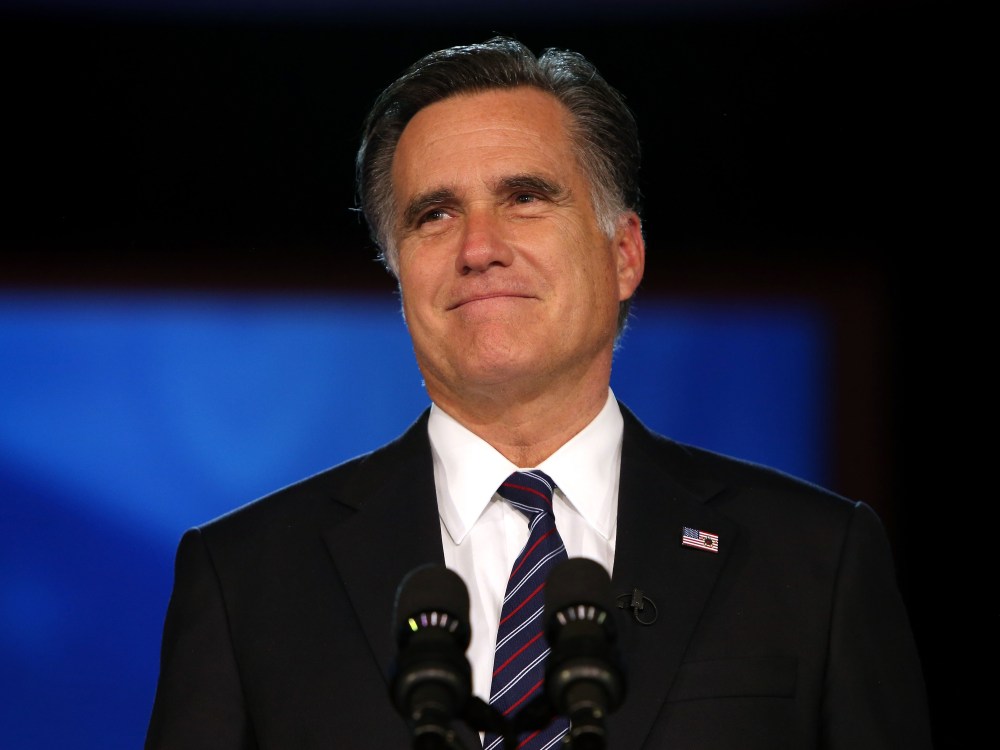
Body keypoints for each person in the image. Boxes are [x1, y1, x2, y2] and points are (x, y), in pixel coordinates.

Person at [145, 37, 932, 749]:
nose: (479, 248)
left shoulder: (815, 562)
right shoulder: (244, 579)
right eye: (434, 214)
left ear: (623, 254)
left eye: (525, 197)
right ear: (398, 271)